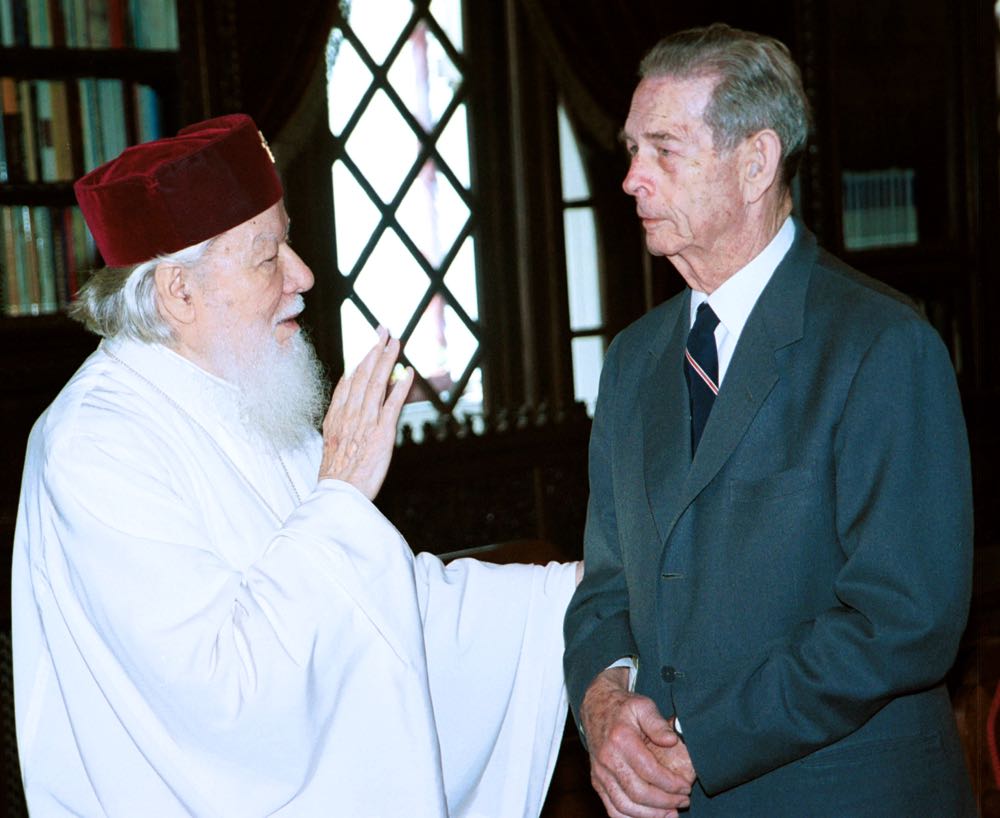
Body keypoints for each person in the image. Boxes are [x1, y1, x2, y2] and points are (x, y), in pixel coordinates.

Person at [12, 113, 579, 817]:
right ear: (177, 292)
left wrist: (570, 600)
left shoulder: (247, 391)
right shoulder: (97, 445)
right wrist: (339, 493)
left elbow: (390, 607)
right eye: (267, 256)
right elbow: (227, 698)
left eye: (289, 243)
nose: (304, 275)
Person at [563, 22, 976, 817]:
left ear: (755, 162)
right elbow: (604, 587)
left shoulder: (882, 346)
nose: (631, 180)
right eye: (630, 150)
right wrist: (605, 703)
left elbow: (904, 619)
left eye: (664, 150)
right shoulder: (634, 361)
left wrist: (700, 738)